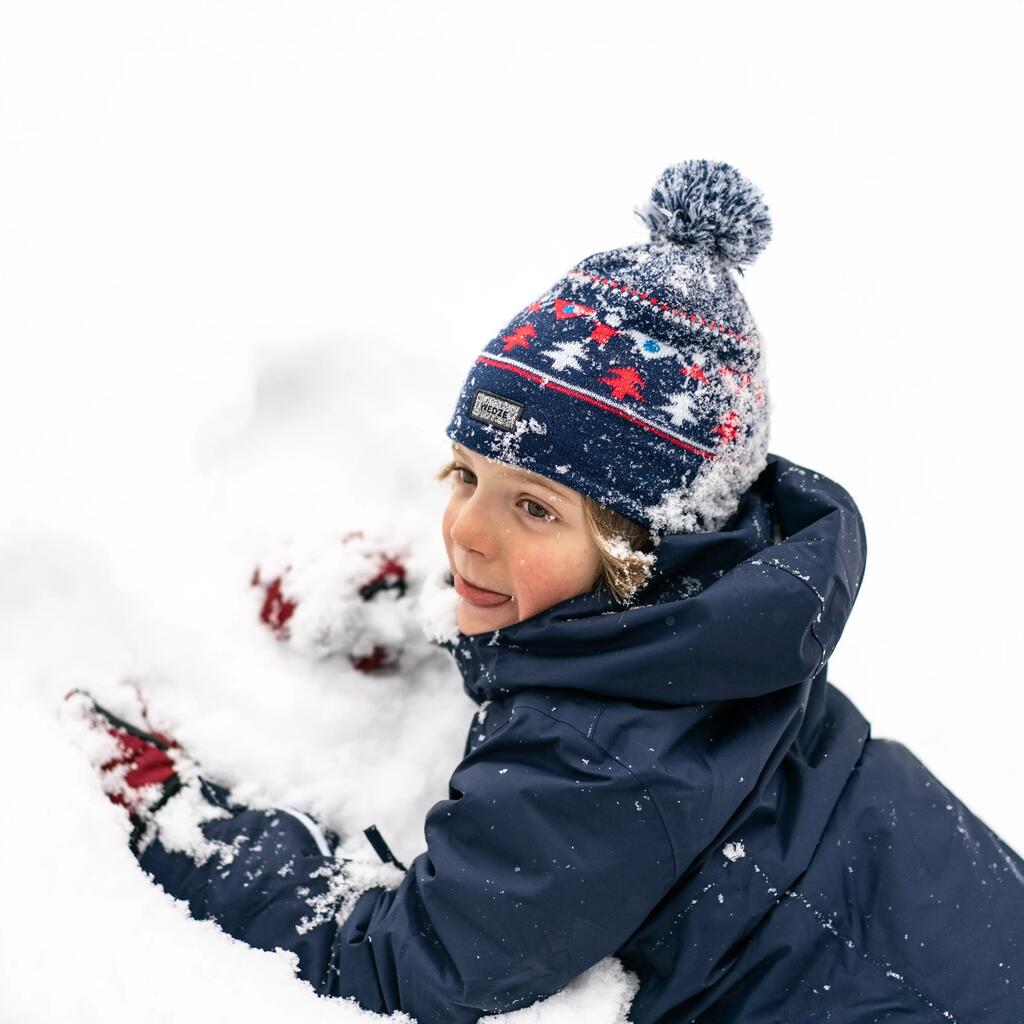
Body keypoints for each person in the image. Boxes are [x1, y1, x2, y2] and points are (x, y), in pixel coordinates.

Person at [66, 160, 1024, 1023]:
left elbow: (410, 965)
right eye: (465, 476)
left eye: (532, 508)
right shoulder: (731, 623)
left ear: (644, 549)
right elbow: (584, 635)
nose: (466, 531)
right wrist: (429, 604)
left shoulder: (594, 766)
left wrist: (190, 822)